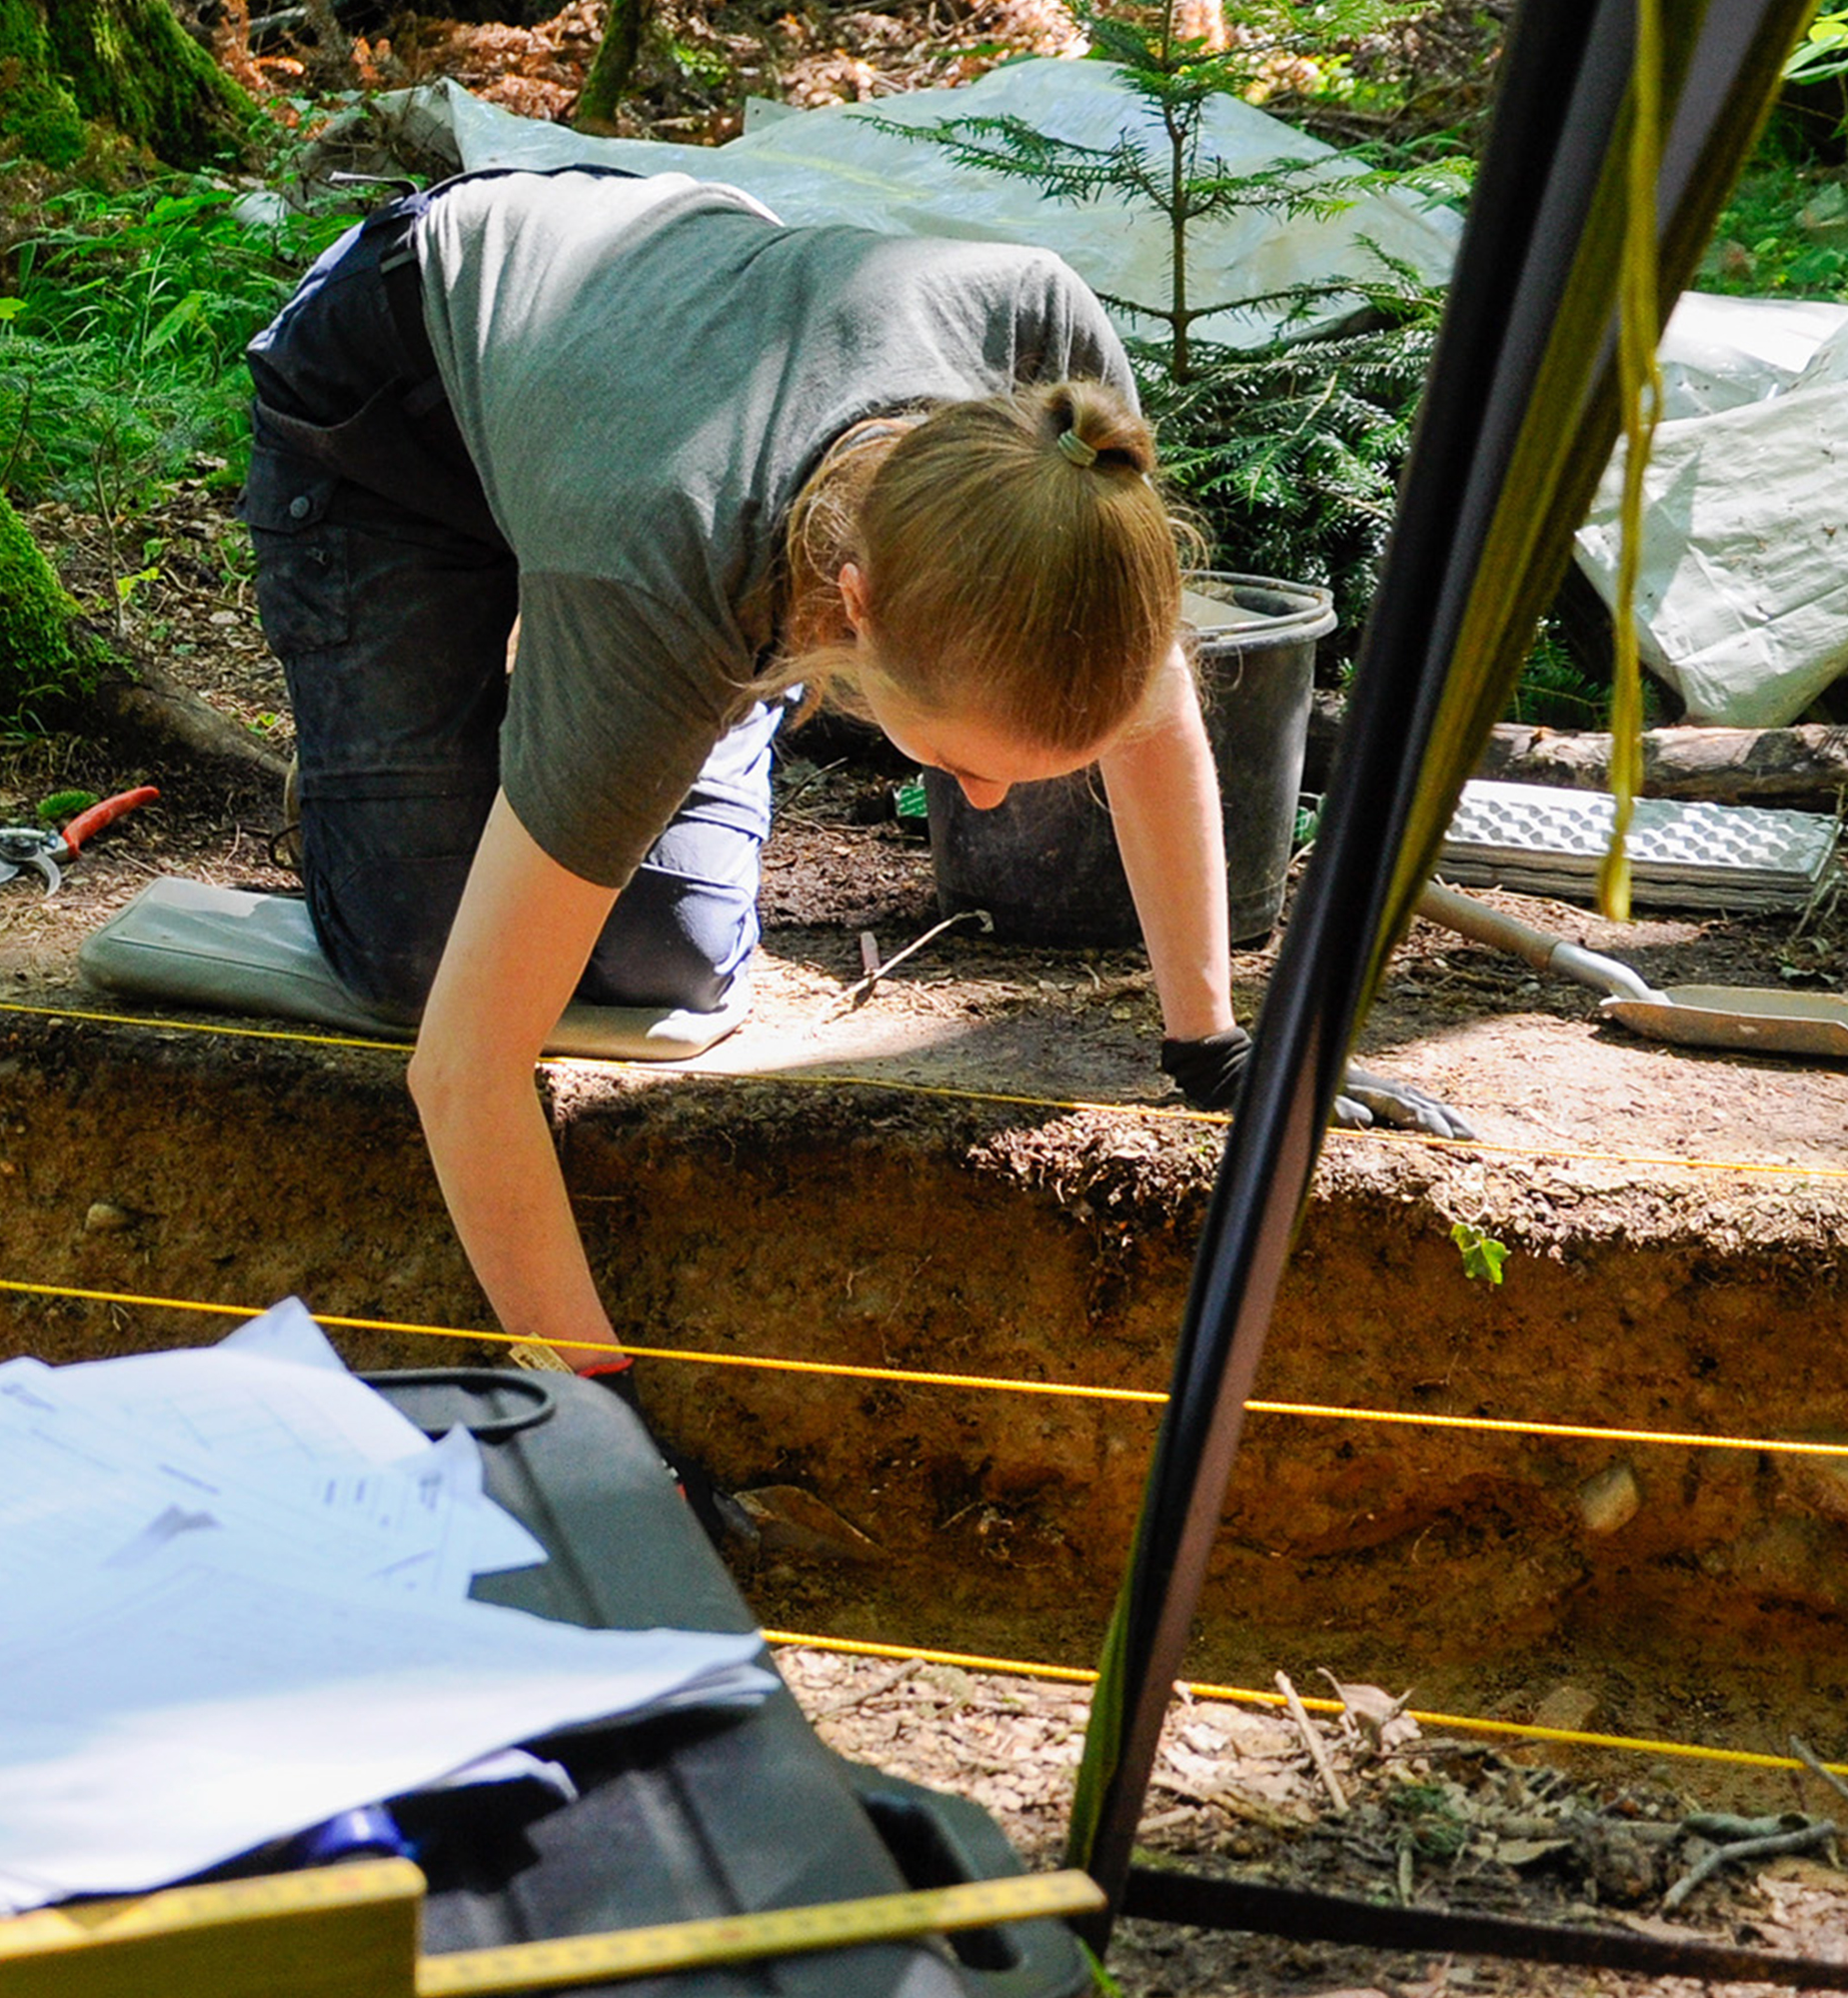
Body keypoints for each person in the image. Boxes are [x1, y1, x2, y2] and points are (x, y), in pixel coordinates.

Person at [238, 166, 1462, 1390]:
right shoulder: (664, 566)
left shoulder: (1057, 415)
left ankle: (588, 719)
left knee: (672, 960)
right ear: (856, 611)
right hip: (395, 394)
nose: (980, 805)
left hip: (656, 399)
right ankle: (398, 771)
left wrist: (1215, 1044)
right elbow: (460, 1071)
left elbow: (1149, 707)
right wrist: (596, 1399)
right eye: (961, 763)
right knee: (417, 955)